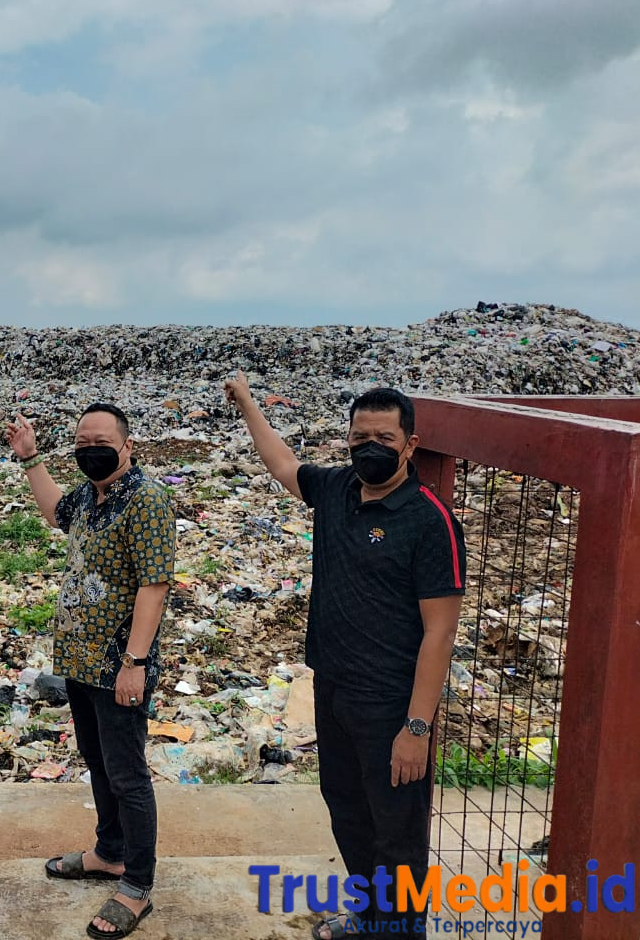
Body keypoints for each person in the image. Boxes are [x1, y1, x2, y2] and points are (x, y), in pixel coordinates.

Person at [223, 376, 464, 939]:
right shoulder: (336, 489)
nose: (369, 448)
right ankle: (370, 917)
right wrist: (249, 405)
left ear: (410, 444)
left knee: (396, 833)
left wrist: (417, 728)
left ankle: (399, 930)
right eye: (360, 438)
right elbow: (283, 465)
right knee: (347, 812)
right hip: (332, 691)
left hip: (391, 704)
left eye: (384, 438)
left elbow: (440, 634)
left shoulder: (430, 521)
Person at [5, 403, 175, 940]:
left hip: (119, 664)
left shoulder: (146, 500)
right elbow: (55, 512)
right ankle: (109, 852)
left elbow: (154, 586)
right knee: (98, 762)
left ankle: (137, 885)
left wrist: (135, 663)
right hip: (81, 662)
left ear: (127, 446)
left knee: (127, 774)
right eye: (83, 445)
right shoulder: (90, 496)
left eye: (101, 443)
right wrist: (30, 458)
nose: (91, 452)